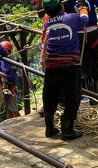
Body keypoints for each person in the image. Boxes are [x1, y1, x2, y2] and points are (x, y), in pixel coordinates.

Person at [41, 0, 88, 140]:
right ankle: (67, 131)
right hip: (70, 66)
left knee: (50, 96)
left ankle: (49, 129)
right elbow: (85, 19)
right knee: (72, 97)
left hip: (51, 66)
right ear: (61, 6)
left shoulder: (47, 23)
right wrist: (82, 5)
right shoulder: (71, 18)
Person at [0, 41, 20, 119]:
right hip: (4, 88)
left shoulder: (12, 63)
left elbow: (12, 77)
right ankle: (10, 127)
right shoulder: (0, 60)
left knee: (14, 110)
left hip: (11, 88)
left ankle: (20, 124)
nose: (9, 53)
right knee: (8, 110)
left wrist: (0, 74)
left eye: (10, 51)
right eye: (8, 51)